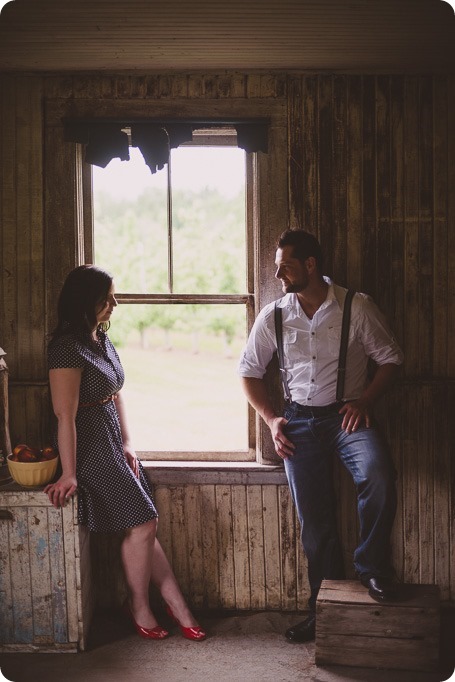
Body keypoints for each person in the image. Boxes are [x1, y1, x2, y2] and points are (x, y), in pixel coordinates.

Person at [239, 230, 404, 643]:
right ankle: (324, 608)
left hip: (347, 417)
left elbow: (390, 359)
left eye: (286, 266)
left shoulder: (356, 306)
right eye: (277, 266)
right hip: (298, 422)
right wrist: (272, 420)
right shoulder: (274, 315)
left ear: (311, 265)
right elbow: (248, 372)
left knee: (379, 476)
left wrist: (365, 401)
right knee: (316, 521)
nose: (278, 274)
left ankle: (372, 570)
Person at [44, 265, 206, 642]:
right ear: (85, 301)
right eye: (107, 298)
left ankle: (175, 604)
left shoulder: (100, 337)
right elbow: (64, 414)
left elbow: (114, 393)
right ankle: (140, 605)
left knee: (144, 521)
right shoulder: (66, 347)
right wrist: (69, 472)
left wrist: (128, 443)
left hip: (112, 438)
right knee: (144, 522)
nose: (114, 304)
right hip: (87, 443)